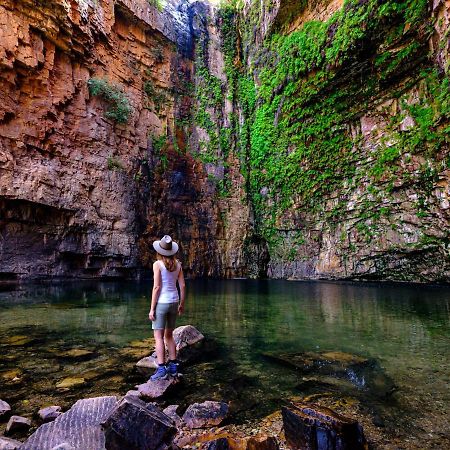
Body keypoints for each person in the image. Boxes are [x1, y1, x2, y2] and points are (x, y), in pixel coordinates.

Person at [148, 235, 185, 381]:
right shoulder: (178, 265)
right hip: (174, 302)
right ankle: (174, 366)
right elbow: (182, 285)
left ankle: (162, 368)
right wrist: (182, 304)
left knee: (158, 336)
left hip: (162, 303)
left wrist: (152, 309)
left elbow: (156, 287)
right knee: (169, 335)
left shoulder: (157, 264)